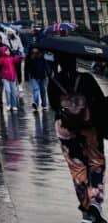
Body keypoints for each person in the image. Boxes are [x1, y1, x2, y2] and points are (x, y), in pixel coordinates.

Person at [50, 54, 107, 222]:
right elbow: (99, 101)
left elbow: (53, 105)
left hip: (65, 127)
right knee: (96, 162)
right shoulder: (86, 78)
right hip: (88, 126)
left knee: (77, 166)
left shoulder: (53, 81)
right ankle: (95, 201)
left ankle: (86, 208)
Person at [0, 35, 19, 111]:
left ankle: (14, 105)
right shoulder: (2, 59)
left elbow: (17, 59)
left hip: (13, 77)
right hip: (5, 77)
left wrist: (21, 57)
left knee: (13, 91)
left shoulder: (12, 58)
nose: (8, 52)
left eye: (8, 51)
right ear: (3, 52)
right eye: (6, 51)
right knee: (8, 91)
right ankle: (9, 104)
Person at [26, 46, 50, 111]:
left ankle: (44, 104)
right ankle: (36, 104)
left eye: (36, 48)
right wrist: (26, 76)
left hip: (42, 76)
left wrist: (49, 73)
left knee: (43, 91)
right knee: (35, 89)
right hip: (33, 76)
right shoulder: (29, 57)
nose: (34, 49)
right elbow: (26, 67)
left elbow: (46, 65)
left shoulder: (42, 56)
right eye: (33, 48)